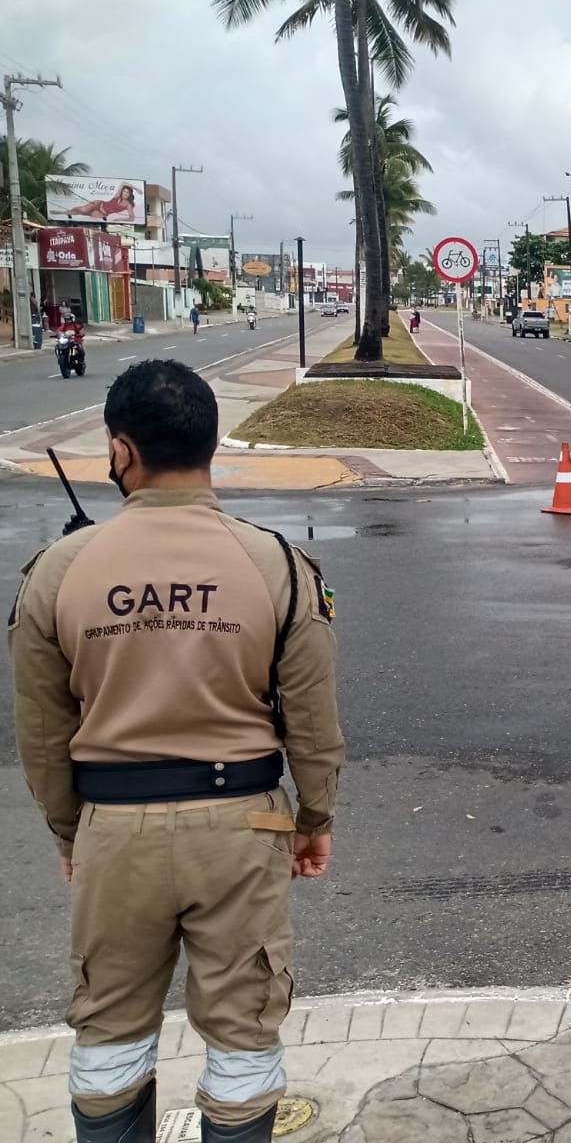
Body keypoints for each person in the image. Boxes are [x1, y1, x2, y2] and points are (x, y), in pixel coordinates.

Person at [7, 360, 344, 1143]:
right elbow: (315, 722)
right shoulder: (278, 566)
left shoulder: (57, 571)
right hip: (246, 829)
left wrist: (72, 834)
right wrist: (315, 816)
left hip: (112, 831)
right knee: (242, 1043)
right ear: (214, 442)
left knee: (111, 1042)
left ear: (121, 451)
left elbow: (43, 733)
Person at [62, 184, 139, 223]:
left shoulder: (128, 205)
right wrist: (136, 188)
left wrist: (118, 219)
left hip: (102, 213)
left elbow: (132, 218)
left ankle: (68, 212)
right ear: (122, 192)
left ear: (130, 194)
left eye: (127, 192)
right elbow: (122, 183)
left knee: (83, 213)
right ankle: (67, 210)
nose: (125, 193)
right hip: (99, 204)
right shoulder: (118, 195)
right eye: (124, 191)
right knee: (83, 210)